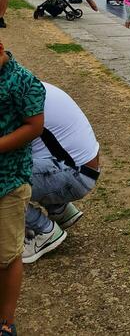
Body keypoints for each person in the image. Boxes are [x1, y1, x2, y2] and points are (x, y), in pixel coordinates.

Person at [22, 82, 100, 264]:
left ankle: (44, 231)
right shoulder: (22, 81)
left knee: (6, 180)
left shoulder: (11, 96)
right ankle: (59, 208)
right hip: (83, 168)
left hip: (73, 175)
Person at [0, 42, 46, 335]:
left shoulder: (23, 81)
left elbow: (34, 126)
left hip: (9, 180)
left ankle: (6, 321)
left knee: (6, 255)